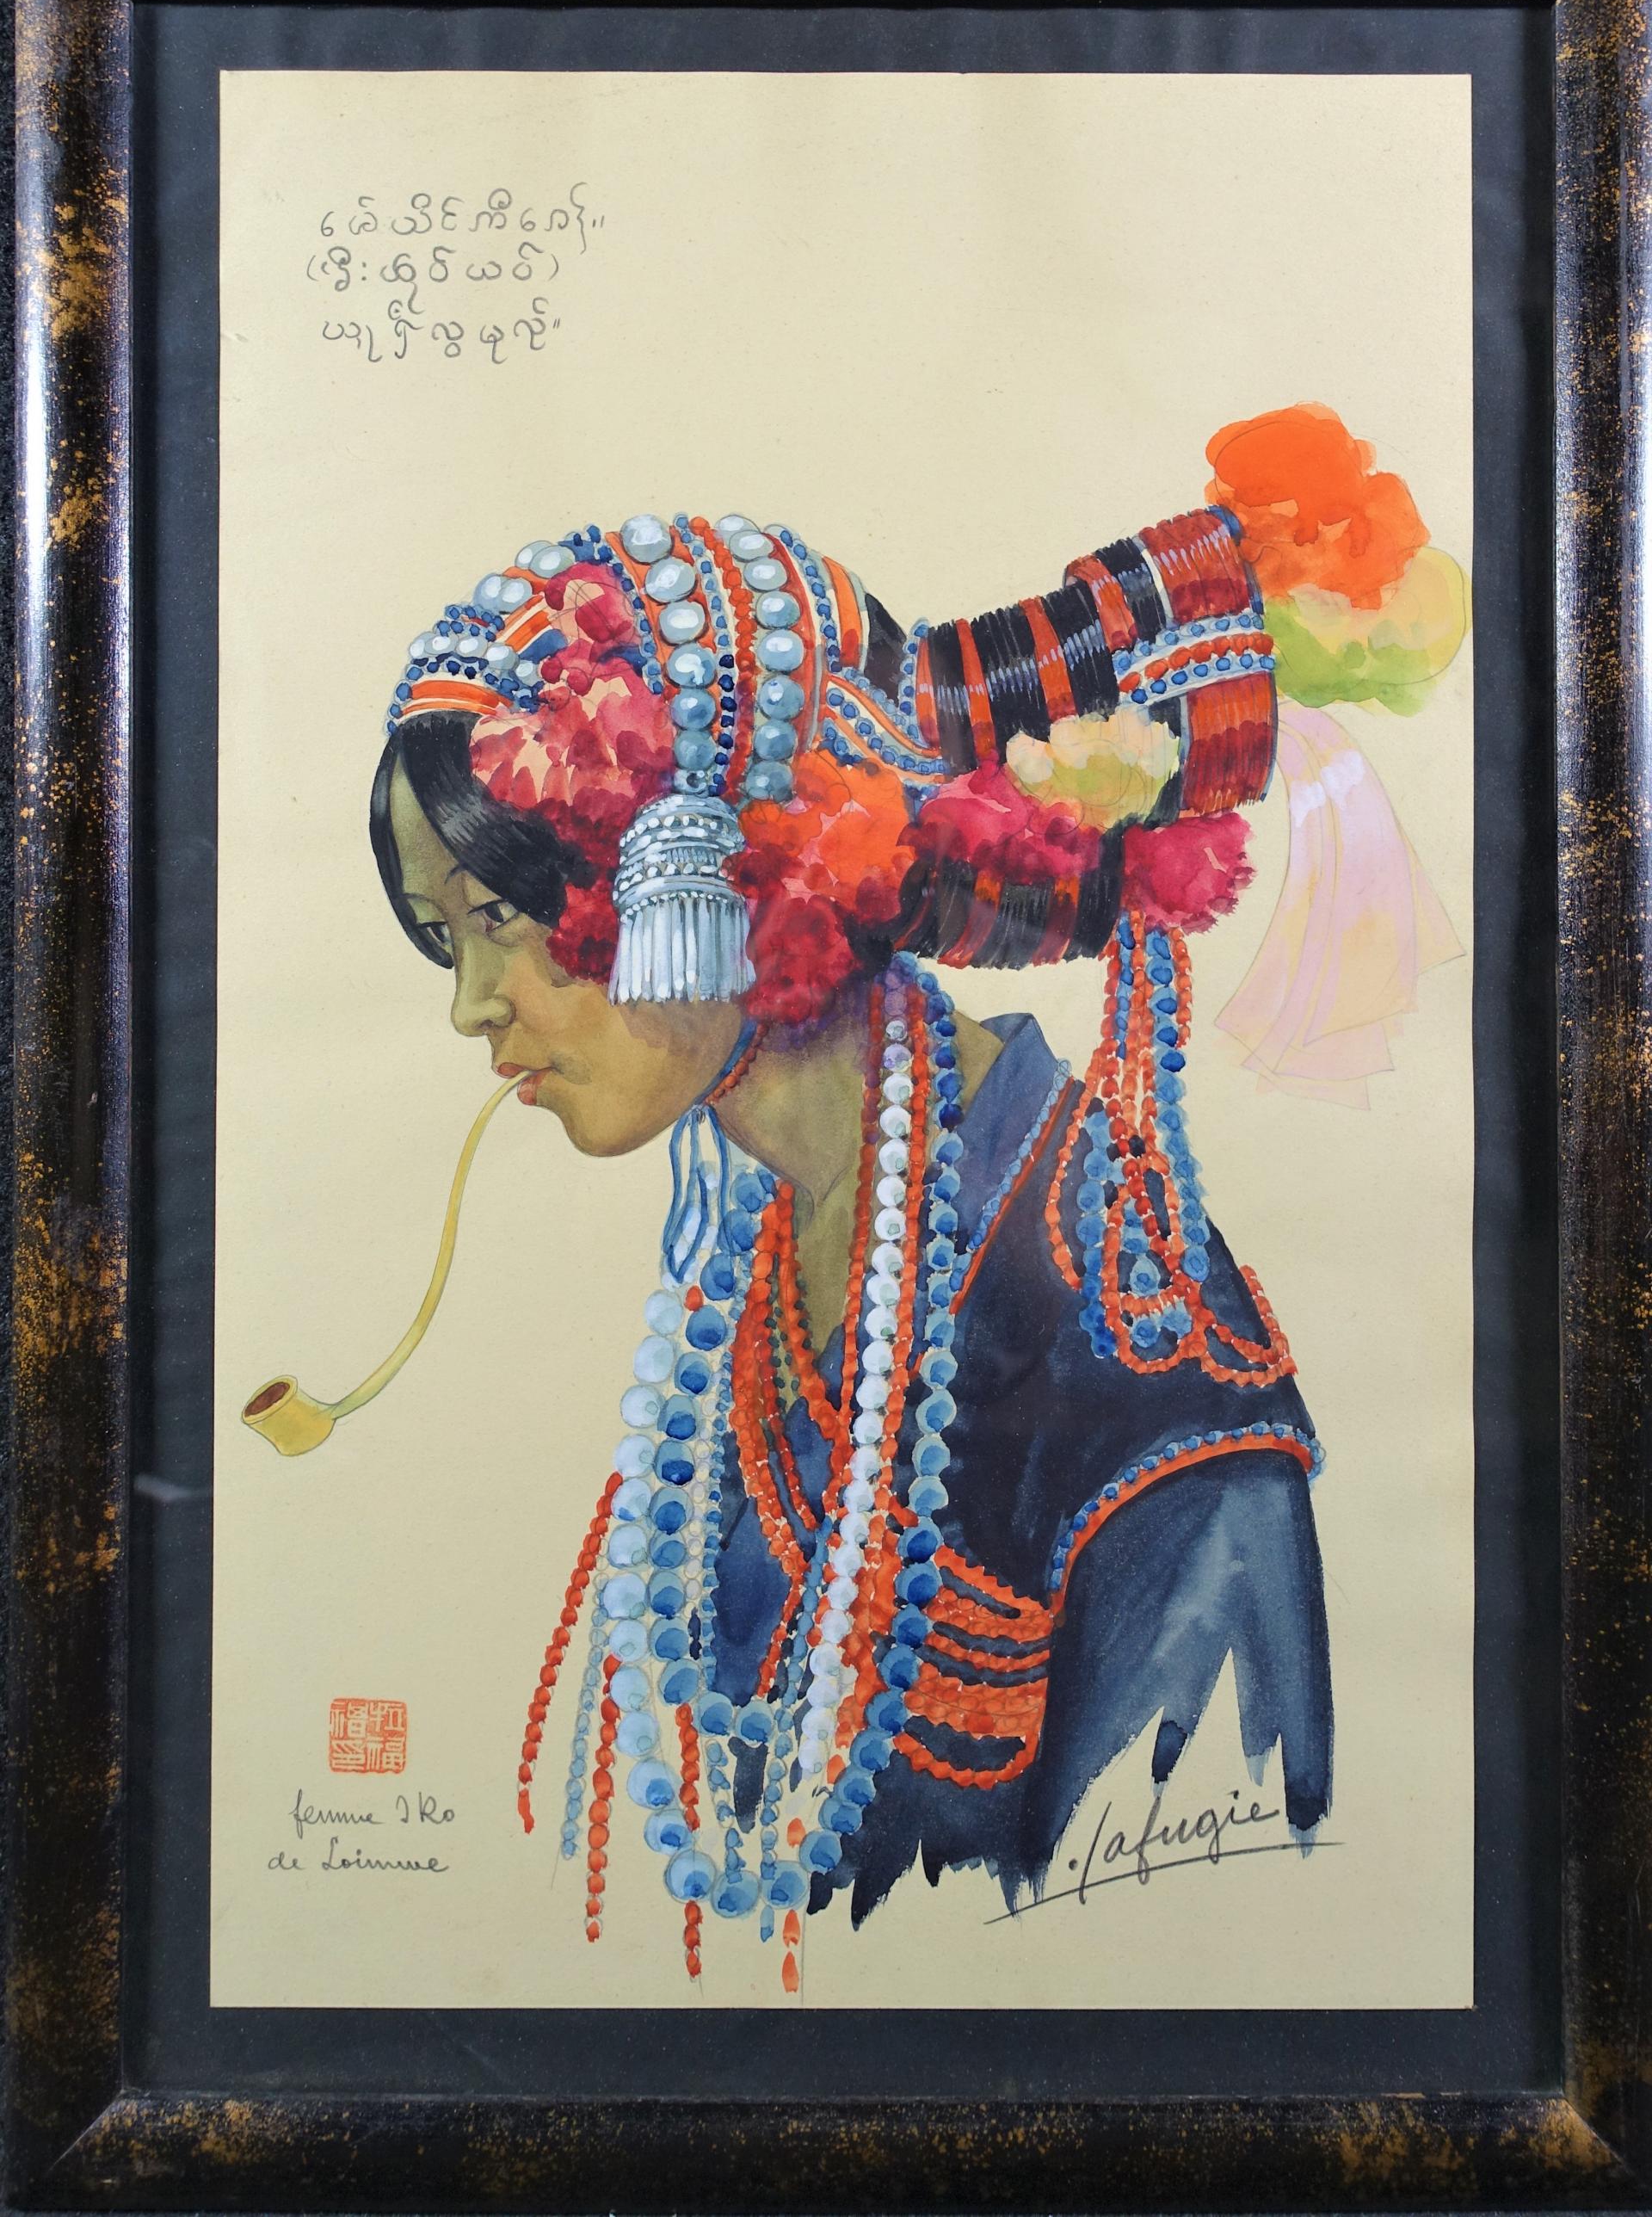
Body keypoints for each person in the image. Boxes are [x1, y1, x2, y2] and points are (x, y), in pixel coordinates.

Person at [365, 404, 1466, 1980]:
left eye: (497, 919)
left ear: (701, 868)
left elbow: (1208, 1929)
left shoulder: (1128, 1339)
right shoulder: (760, 1243)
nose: (473, 1006)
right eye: (446, 936)